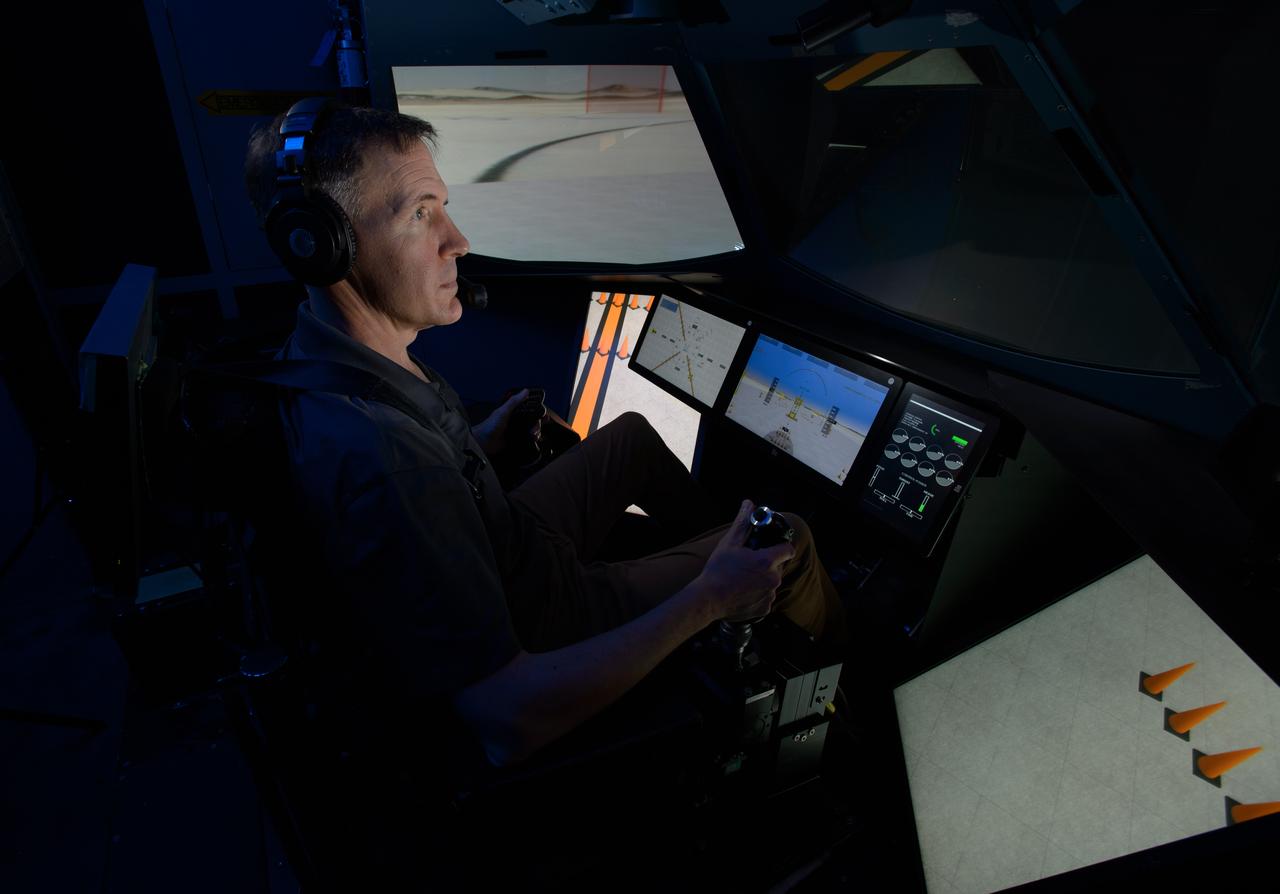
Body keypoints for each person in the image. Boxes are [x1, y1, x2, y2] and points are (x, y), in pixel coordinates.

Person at [242, 102, 846, 775]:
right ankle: (839, 674)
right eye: (420, 214)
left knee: (633, 439)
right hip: (547, 614)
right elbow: (508, 720)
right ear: (327, 244)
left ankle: (723, 573)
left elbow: (427, 485)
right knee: (788, 538)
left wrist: (480, 445)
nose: (457, 240)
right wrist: (710, 598)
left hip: (507, 543)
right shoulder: (388, 460)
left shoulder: (339, 353)